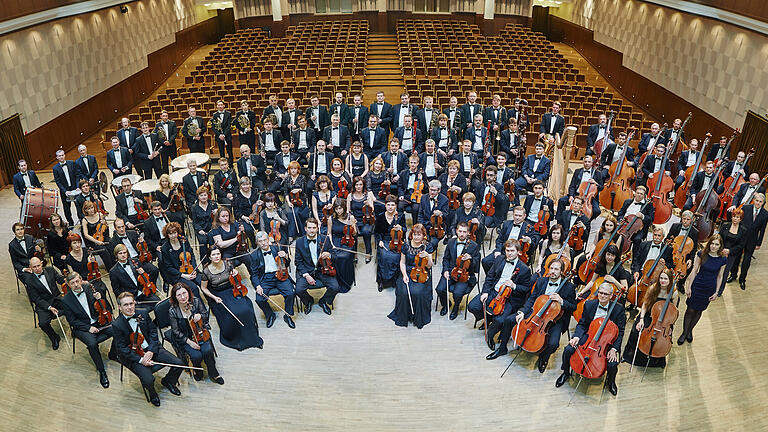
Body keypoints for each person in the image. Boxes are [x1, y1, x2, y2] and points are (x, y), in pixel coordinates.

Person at [502, 259, 576, 372]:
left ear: (561, 271)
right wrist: (522, 312)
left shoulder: (569, 287)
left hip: (555, 318)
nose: (553, 271)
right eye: (551, 268)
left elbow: (573, 307)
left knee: (553, 343)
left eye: (556, 269)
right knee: (509, 320)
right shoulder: (541, 281)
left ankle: (544, 358)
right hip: (536, 313)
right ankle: (502, 348)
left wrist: (562, 301)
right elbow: (532, 299)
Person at [112, 292, 185, 406]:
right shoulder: (117, 324)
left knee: (179, 363)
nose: (130, 307)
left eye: (131, 303)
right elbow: (121, 349)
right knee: (148, 380)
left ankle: (168, 381)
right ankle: (153, 394)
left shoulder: (143, 313)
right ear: (120, 307)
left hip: (151, 349)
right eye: (126, 305)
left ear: (135, 303)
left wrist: (151, 350)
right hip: (134, 355)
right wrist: (141, 360)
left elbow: (153, 333)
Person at [555, 282, 625, 396]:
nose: (602, 296)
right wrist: (576, 336)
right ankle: (566, 372)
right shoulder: (589, 304)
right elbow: (582, 324)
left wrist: (614, 349)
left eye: (605, 294)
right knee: (568, 349)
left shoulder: (618, 309)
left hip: (606, 340)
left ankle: (610, 381)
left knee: (612, 363)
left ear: (611, 296)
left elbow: (620, 331)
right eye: (600, 293)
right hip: (589, 336)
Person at [468, 239, 533, 348]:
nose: (509, 253)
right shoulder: (499, 259)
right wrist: (485, 292)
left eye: (512, 251)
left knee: (500, 320)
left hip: (509, 298)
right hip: (494, 292)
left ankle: (490, 335)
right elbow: (490, 277)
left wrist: (514, 286)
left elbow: (526, 289)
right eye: (507, 250)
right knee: (472, 306)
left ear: (518, 252)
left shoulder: (524, 269)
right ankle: (487, 319)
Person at [198, 247, 263, 350]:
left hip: (232, 290)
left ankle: (253, 338)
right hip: (218, 294)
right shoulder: (206, 272)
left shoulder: (227, 264)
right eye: (213, 255)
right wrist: (215, 298)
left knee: (246, 309)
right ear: (209, 257)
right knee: (234, 313)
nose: (216, 257)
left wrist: (235, 274)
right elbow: (204, 288)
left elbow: (234, 278)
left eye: (218, 254)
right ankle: (236, 339)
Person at [61, 272, 117, 388]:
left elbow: (104, 306)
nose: (76, 285)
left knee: (117, 330)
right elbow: (72, 321)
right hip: (82, 327)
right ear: (68, 284)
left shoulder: (90, 288)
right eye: (72, 283)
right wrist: (88, 328)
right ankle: (101, 370)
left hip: (99, 320)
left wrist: (101, 297)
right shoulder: (66, 300)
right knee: (92, 344)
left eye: (77, 281)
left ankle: (113, 354)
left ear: (81, 280)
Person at [168, 283, 224, 384]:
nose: (183, 297)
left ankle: (214, 373)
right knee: (196, 356)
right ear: (175, 297)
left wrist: (200, 316)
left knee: (207, 351)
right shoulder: (173, 311)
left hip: (200, 332)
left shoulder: (196, 301)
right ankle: (198, 372)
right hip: (186, 337)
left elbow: (205, 315)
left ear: (188, 292)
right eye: (179, 295)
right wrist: (189, 342)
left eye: (184, 293)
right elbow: (176, 331)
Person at [622, 268, 676, 368]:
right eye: (661, 278)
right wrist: (641, 319)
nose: (663, 281)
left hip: (665, 321)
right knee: (637, 331)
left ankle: (657, 360)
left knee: (662, 338)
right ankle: (630, 356)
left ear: (670, 280)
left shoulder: (674, 293)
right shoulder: (653, 288)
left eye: (665, 279)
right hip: (650, 315)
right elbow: (645, 305)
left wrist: (671, 327)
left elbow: (674, 311)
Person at [678, 234, 727, 345]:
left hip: (709, 288)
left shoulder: (723, 259)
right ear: (709, 244)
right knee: (690, 309)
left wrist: (716, 292)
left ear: (720, 246)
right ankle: (684, 333)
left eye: (716, 244)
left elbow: (720, 276)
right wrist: (689, 286)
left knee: (699, 311)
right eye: (712, 244)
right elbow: (694, 270)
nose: (714, 246)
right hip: (698, 285)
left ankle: (690, 331)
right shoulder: (701, 254)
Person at [388, 223, 434, 329]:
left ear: (423, 235)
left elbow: (429, 266)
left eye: (419, 234)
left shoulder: (428, 246)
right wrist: (404, 275)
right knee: (404, 292)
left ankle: (418, 318)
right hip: (408, 272)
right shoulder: (406, 245)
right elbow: (402, 263)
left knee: (418, 292)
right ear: (411, 235)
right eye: (415, 234)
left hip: (422, 273)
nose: (417, 237)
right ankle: (405, 316)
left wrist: (428, 256)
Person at [248, 231, 296, 329]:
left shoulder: (277, 248)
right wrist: (257, 285)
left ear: (268, 240)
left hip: (280, 275)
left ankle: (288, 315)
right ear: (257, 243)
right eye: (260, 241)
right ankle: (270, 315)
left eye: (265, 240)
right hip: (265, 278)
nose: (263, 243)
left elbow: (286, 265)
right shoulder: (253, 255)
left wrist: (286, 257)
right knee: (259, 299)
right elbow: (254, 274)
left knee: (290, 293)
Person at [293, 218, 341, 315]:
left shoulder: (325, 239)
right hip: (306, 270)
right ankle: (309, 301)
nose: (312, 230)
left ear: (317, 228)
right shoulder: (299, 242)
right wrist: (306, 275)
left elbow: (335, 255)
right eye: (309, 227)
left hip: (322, 269)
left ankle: (323, 301)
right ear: (305, 228)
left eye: (314, 228)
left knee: (335, 287)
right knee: (299, 290)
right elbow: (298, 262)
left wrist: (329, 254)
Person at [435, 222, 480, 320]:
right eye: (460, 231)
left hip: (464, 275)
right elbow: (446, 259)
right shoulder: (451, 242)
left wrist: (471, 259)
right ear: (456, 231)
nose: (462, 234)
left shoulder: (473, 246)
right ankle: (446, 304)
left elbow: (476, 266)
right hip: (451, 271)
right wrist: (445, 270)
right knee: (439, 289)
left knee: (457, 293)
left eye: (464, 232)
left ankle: (456, 307)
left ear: (468, 233)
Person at [22, 257, 66, 349]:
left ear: (42, 263)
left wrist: (68, 280)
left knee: (72, 306)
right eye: (34, 267)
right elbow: (36, 299)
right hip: (43, 304)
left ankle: (76, 328)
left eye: (38, 265)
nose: (37, 268)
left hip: (57, 298)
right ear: (30, 267)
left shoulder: (50, 270)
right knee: (43, 323)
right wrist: (49, 307)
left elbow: (60, 280)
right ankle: (54, 338)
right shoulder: (29, 281)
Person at [482, 206, 537, 273]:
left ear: (524, 216)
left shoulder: (529, 228)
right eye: (516, 215)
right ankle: (494, 279)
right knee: (486, 261)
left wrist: (529, 240)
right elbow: (499, 239)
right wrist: (498, 250)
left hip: (518, 255)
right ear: (513, 214)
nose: (517, 218)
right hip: (504, 251)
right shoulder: (506, 224)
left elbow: (533, 246)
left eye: (520, 216)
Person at [730, 193, 768, 290]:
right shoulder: (746, 208)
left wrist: (759, 243)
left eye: (760, 202)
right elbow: (739, 223)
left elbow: (762, 230)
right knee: (736, 258)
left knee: (746, 261)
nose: (758, 203)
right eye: (757, 201)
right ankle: (733, 275)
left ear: (763, 203)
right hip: (741, 238)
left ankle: (742, 279)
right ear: (754, 200)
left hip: (752, 240)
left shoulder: (765, 214)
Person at [109, 244, 161, 310]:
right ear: (116, 255)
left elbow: (144, 277)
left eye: (124, 252)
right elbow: (116, 291)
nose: (123, 255)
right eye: (120, 253)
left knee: (159, 305)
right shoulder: (113, 271)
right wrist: (128, 300)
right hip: (131, 299)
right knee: (142, 313)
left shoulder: (135, 261)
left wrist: (143, 272)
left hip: (144, 292)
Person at [374, 196, 406, 291]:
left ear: (396, 206)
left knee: (396, 256)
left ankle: (394, 280)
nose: (390, 207)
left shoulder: (400, 216)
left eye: (393, 205)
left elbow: (405, 230)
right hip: (384, 241)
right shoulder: (380, 216)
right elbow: (377, 232)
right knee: (384, 257)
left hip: (397, 241)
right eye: (388, 205)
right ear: (385, 205)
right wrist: (379, 240)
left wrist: (401, 228)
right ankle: (381, 281)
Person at [557, 155, 604, 220]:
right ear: (583, 162)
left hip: (590, 198)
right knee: (561, 201)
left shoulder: (597, 173)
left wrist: (596, 183)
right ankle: (560, 221)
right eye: (585, 161)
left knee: (597, 211)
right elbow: (572, 185)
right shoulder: (577, 171)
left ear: (592, 163)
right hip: (577, 194)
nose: (587, 163)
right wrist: (571, 196)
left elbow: (601, 187)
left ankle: (586, 221)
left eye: (589, 162)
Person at [160, 222, 200, 297]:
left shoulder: (184, 240)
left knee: (203, 282)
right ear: (167, 235)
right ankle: (199, 307)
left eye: (175, 232)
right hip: (177, 275)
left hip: (190, 269)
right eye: (170, 233)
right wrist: (184, 276)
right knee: (194, 288)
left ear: (178, 232)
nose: (173, 235)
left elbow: (192, 256)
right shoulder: (165, 248)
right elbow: (169, 267)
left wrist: (194, 269)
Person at [327, 199, 357, 292]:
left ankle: (346, 282)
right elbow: (329, 234)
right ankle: (336, 282)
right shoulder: (331, 219)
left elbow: (355, 234)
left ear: (344, 208)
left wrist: (352, 226)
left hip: (347, 242)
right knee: (334, 256)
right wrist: (332, 244)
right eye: (336, 209)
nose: (338, 211)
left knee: (344, 257)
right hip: (335, 241)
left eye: (340, 208)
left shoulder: (350, 217)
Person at [617, 186, 654, 254]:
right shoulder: (627, 202)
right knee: (615, 234)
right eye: (638, 193)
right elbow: (620, 213)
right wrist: (620, 220)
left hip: (638, 229)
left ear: (644, 195)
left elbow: (651, 219)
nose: (639, 195)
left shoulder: (648, 205)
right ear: (635, 193)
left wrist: (642, 216)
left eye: (641, 194)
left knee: (637, 239)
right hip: (624, 226)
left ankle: (635, 261)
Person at [718, 208, 747, 296]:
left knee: (725, 273)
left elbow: (741, 245)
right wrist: (722, 249)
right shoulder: (725, 225)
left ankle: (720, 291)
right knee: (716, 271)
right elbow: (719, 238)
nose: (735, 218)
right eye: (734, 216)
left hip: (731, 254)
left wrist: (729, 251)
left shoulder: (743, 230)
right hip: (720, 251)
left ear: (741, 219)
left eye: (737, 217)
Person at [80, 201, 114, 269]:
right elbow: (86, 235)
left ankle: (116, 264)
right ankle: (111, 269)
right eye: (88, 208)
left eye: (92, 207)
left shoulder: (100, 215)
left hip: (103, 236)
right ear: (85, 210)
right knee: (104, 251)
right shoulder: (85, 220)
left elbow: (106, 228)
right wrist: (97, 242)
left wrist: (105, 223)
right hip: (93, 241)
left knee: (112, 245)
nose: (91, 210)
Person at [348, 176, 375, 260]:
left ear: (363, 185)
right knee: (353, 233)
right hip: (354, 219)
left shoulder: (368, 195)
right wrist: (351, 217)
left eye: (360, 184)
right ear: (354, 186)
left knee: (366, 232)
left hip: (366, 219)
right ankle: (355, 252)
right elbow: (348, 211)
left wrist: (369, 204)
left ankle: (368, 252)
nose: (359, 187)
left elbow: (372, 209)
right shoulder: (350, 196)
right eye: (357, 185)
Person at [418, 179, 449, 250]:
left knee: (433, 243)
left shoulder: (444, 199)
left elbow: (446, 215)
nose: (431, 192)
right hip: (425, 225)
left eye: (434, 190)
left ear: (439, 190)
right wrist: (421, 226)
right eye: (430, 189)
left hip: (437, 229)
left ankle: (428, 257)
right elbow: (420, 214)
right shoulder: (423, 198)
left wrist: (441, 213)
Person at [52, 149, 80, 226]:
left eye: (62, 155)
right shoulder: (55, 168)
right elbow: (58, 182)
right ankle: (71, 223)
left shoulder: (72, 163)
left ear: (64, 155)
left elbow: (77, 175)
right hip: (65, 191)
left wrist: (77, 186)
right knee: (67, 208)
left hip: (75, 188)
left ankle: (82, 220)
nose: (61, 157)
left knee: (79, 205)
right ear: (57, 157)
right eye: (59, 156)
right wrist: (65, 191)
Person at [283, 161, 309, 239]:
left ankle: (301, 233)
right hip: (290, 200)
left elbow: (304, 190)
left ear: (298, 169)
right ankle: (291, 235)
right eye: (291, 169)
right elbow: (286, 192)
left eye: (295, 168)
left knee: (297, 212)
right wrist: (288, 202)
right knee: (290, 213)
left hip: (300, 200)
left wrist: (298, 190)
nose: (293, 170)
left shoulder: (302, 177)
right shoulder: (287, 178)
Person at [190, 186, 218, 258]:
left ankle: (215, 257)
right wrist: (200, 230)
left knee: (214, 239)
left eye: (205, 195)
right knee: (203, 241)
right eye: (201, 195)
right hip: (201, 229)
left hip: (212, 227)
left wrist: (217, 212)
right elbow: (195, 222)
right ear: (198, 197)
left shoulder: (212, 204)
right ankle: (205, 261)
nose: (203, 197)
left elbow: (219, 217)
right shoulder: (194, 207)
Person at [397, 155, 425, 223]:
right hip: (406, 194)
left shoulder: (422, 173)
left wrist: (421, 180)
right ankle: (400, 225)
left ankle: (415, 226)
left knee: (416, 208)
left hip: (416, 196)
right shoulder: (403, 173)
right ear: (408, 163)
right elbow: (400, 186)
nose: (413, 164)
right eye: (411, 162)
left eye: (414, 163)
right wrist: (401, 195)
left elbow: (426, 188)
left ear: (418, 163)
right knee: (400, 206)